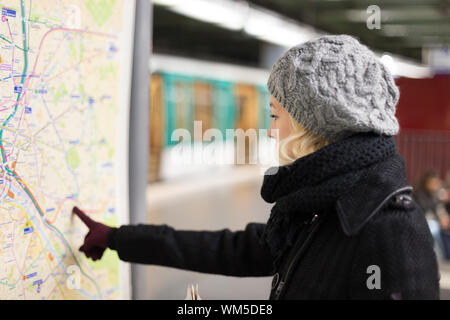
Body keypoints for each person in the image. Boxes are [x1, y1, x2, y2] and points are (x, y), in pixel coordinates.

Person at [73, 35, 439, 300]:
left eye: (276, 115)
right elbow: (234, 250)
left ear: (313, 125)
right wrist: (118, 238)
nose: (270, 130)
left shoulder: (391, 231)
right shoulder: (320, 206)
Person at [414, 170, 450, 259]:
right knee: (434, 228)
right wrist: (438, 220)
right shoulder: (419, 195)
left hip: (437, 225)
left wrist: (444, 217)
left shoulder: (435, 195)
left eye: (436, 183)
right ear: (426, 182)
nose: (435, 185)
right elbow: (423, 213)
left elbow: (439, 209)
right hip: (424, 224)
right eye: (432, 183)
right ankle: (436, 257)